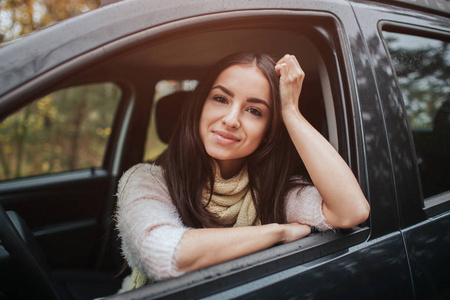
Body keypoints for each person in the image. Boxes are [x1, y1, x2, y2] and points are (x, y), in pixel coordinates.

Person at [116, 52, 370, 290]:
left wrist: (291, 112)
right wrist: (277, 232)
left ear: (269, 131)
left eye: (254, 111)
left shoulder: (273, 189)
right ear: (199, 107)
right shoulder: (146, 179)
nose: (231, 119)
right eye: (220, 99)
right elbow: (163, 255)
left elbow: (350, 211)